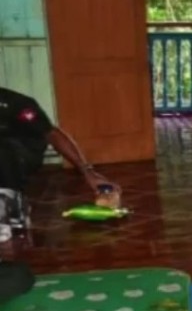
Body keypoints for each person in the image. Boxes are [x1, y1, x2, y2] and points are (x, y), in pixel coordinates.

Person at [0, 87, 120, 229]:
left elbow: (52, 135)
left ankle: (14, 208)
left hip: (22, 154)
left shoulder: (17, 104)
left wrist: (88, 172)